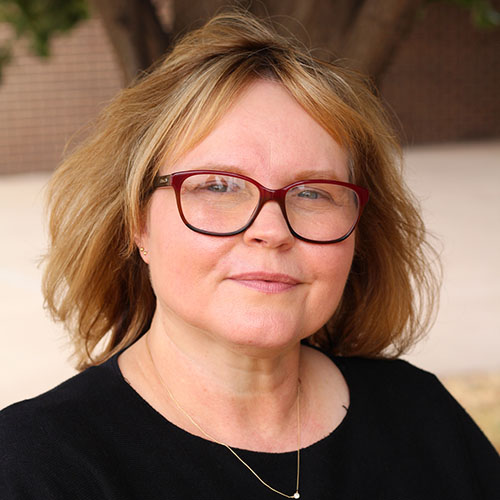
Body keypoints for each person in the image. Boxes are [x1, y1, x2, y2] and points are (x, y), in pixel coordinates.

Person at [1, 10, 499, 500]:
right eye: (218, 186)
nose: (270, 230)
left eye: (313, 193)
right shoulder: (33, 465)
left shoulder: (422, 415)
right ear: (138, 224)